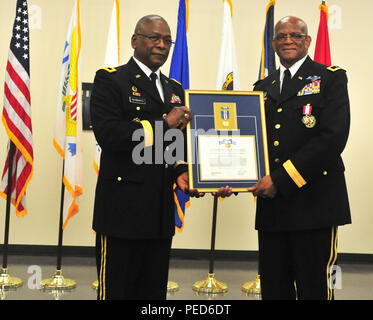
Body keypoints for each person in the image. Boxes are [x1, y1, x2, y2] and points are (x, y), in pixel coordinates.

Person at [90, 15, 230, 300]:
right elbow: (109, 135)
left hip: (158, 213)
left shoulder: (174, 89)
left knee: (153, 296)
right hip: (121, 213)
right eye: (154, 37)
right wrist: (163, 124)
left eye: (167, 40)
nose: (162, 45)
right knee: (118, 293)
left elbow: (173, 145)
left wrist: (182, 171)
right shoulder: (111, 79)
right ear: (135, 40)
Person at [248, 16, 351, 300]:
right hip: (273, 208)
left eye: (296, 35)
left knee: (315, 287)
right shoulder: (262, 87)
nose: (288, 40)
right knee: (274, 286)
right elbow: (253, 141)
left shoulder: (330, 78)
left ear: (308, 41)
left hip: (315, 203)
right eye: (281, 36)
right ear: (273, 44)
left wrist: (279, 180)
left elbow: (332, 138)